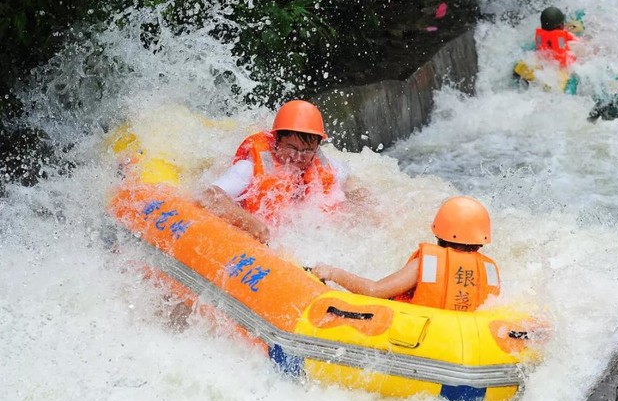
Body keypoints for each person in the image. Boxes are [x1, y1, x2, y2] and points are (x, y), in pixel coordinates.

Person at [312, 196, 501, 312]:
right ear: (481, 240)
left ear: (439, 231)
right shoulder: (489, 271)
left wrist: (332, 273)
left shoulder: (425, 265)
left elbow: (374, 291)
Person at [200, 100, 349, 244]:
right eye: (292, 148)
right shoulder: (248, 168)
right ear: (277, 140)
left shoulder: (323, 167)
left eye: (307, 150)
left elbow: (351, 180)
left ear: (316, 148)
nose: (298, 156)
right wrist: (250, 223)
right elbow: (209, 196)